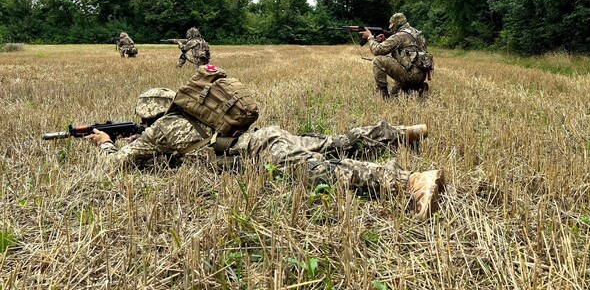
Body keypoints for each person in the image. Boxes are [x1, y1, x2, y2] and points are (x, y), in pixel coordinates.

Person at [86, 87, 444, 219]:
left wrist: (104, 142)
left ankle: (409, 181)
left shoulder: (160, 130)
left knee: (326, 170)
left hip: (259, 152)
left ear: (150, 115)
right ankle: (402, 132)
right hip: (265, 136)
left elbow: (117, 165)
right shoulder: (194, 115)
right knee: (334, 141)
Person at [361, 13, 432, 99]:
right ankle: (418, 88)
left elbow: (377, 50)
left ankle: (382, 93)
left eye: (391, 25)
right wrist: (385, 40)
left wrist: (370, 37)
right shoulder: (416, 33)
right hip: (421, 75)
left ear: (396, 23)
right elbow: (406, 51)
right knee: (395, 95)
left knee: (378, 60)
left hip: (410, 75)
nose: (391, 27)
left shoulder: (399, 35)